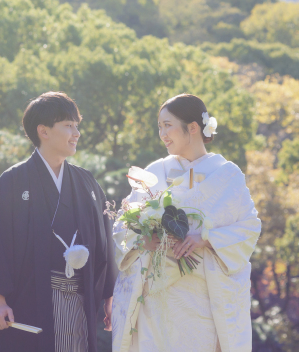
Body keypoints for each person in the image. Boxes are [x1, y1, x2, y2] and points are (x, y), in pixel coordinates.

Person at [0, 92, 117, 352]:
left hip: (79, 300)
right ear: (43, 131)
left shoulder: (86, 182)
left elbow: (105, 244)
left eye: (77, 126)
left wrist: (110, 297)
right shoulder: (13, 181)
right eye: (68, 125)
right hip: (31, 301)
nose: (76, 133)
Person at [111, 94, 261, 352]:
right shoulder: (155, 172)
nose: (162, 133)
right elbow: (122, 226)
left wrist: (206, 238)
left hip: (204, 299)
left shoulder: (227, 174)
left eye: (167, 125)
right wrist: (144, 239)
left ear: (192, 127)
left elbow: (249, 227)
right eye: (159, 127)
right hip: (156, 301)